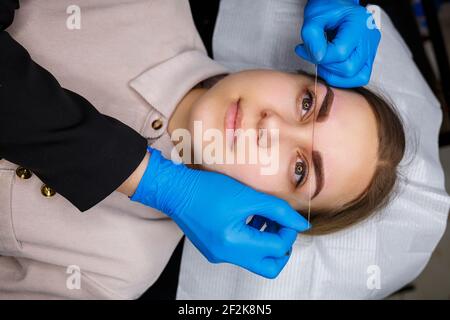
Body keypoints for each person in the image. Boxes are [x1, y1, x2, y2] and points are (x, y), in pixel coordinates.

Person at [0, 0, 381, 298]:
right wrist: (156, 182)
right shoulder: (149, 7)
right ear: (292, 71)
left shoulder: (116, 274)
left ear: (271, 217)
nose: (271, 126)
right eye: (307, 104)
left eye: (300, 169)